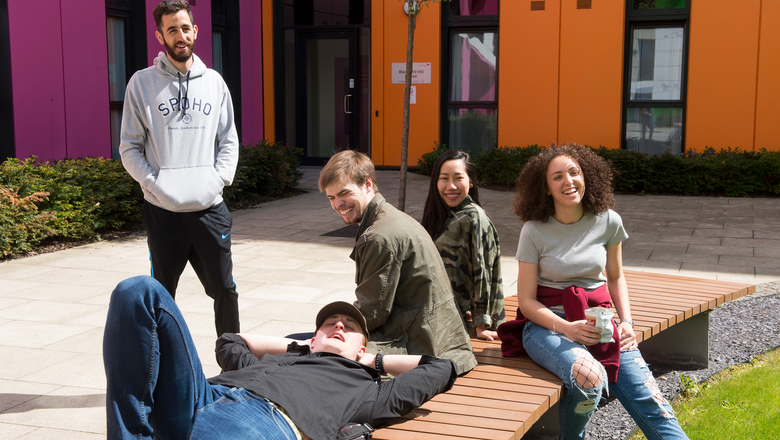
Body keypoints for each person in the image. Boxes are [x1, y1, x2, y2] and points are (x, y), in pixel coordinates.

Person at [103, 275, 457, 440]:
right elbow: (231, 341)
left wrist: (371, 363)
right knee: (139, 291)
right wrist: (299, 346)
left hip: (260, 425)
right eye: (329, 324)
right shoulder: (272, 362)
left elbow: (441, 368)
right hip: (203, 397)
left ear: (362, 348)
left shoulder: (370, 391)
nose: (337, 326)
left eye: (348, 327)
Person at [497, 145, 689, 440]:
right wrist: (567, 329)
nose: (568, 181)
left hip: (600, 321)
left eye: (574, 173)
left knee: (654, 404)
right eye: (557, 177)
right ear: (546, 188)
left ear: (586, 176)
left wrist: (626, 322)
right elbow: (526, 301)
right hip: (547, 324)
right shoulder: (534, 231)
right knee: (589, 377)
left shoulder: (609, 220)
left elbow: (616, 277)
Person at [119, 0, 240, 336]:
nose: (180, 35)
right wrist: (153, 184)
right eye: (172, 29)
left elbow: (229, 140)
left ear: (195, 31)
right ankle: (161, 374)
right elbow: (129, 146)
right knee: (161, 296)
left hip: (209, 210)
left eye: (185, 28)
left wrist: (217, 181)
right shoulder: (141, 84)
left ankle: (233, 367)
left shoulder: (214, 82)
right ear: (160, 36)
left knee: (225, 291)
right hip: (163, 212)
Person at [318, 150, 477, 375]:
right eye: (331, 197)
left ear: (367, 184)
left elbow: (371, 314)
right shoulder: (389, 217)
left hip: (426, 348)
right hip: (445, 341)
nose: (338, 204)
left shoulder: (379, 237)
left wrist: (330, 331)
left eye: (344, 193)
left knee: (324, 354)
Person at [421, 150, 506, 341]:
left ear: (471, 181)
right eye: (444, 178)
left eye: (458, 178)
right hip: (440, 308)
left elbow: (482, 271)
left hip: (444, 317)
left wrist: (481, 323)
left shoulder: (474, 218)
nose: (450, 186)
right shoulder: (444, 213)